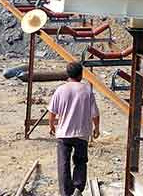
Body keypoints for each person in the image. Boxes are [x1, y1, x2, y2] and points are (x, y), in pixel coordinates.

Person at [48, 61, 100, 196]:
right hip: (82, 133)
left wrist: (51, 125)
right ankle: (78, 188)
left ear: (68, 74)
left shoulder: (60, 90)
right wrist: (97, 128)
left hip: (64, 134)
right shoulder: (87, 90)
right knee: (81, 161)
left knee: (63, 164)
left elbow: (52, 112)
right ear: (81, 75)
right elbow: (95, 114)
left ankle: (66, 192)